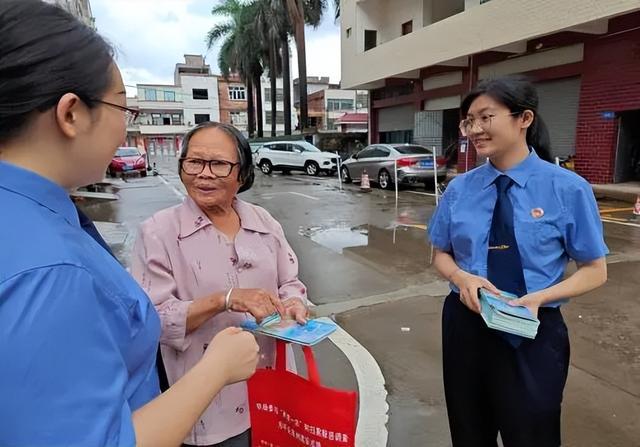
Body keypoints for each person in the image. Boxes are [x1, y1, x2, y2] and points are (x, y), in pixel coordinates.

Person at [0, 2, 259, 446]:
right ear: (71, 113)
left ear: (241, 171)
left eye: (219, 164)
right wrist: (218, 365)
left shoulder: (37, 215)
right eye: (123, 107)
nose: (125, 132)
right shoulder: (51, 271)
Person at [428, 76, 608, 447]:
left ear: (523, 118)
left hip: (534, 330)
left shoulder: (568, 188)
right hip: (466, 325)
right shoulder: (460, 188)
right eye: (469, 121)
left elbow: (595, 270)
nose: (475, 130)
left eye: (485, 117)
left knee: (533, 434)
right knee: (469, 432)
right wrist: (461, 277)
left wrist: (539, 298)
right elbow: (440, 254)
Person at [131, 121, 309, 447]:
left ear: (241, 174)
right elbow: (153, 320)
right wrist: (224, 299)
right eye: (194, 162)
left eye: (219, 164)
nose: (205, 174)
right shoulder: (158, 232)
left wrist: (294, 302)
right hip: (207, 405)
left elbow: (291, 282)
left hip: (274, 388)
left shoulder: (263, 222)